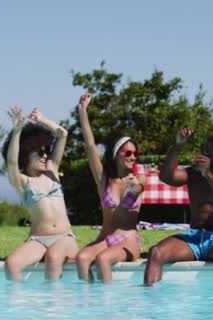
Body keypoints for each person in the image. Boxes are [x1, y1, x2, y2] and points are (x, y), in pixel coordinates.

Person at [143, 128, 213, 287]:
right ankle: (150, 302)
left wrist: (208, 175)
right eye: (203, 152)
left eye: (208, 153)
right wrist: (178, 146)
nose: (202, 156)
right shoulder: (194, 173)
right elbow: (166, 176)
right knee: (156, 253)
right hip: (193, 237)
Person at [75, 93, 146, 284]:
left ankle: (107, 306)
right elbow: (90, 146)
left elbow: (137, 191)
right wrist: (83, 112)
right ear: (116, 154)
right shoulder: (104, 180)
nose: (133, 156)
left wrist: (134, 188)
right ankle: (86, 303)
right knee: (81, 259)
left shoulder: (139, 179)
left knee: (103, 259)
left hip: (128, 240)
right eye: (128, 152)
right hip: (105, 238)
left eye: (135, 153)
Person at [2, 106, 78, 281]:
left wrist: (41, 119)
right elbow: (12, 163)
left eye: (47, 151)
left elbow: (62, 134)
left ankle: (53, 306)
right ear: (26, 155)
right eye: (40, 152)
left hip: (64, 237)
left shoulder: (52, 169)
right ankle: (17, 303)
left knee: (54, 257)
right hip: (38, 240)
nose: (46, 156)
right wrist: (17, 131)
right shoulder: (22, 182)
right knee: (12, 263)